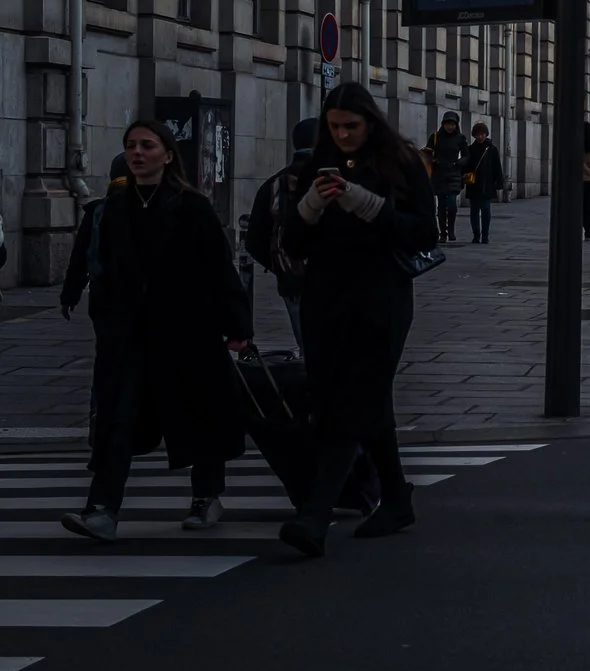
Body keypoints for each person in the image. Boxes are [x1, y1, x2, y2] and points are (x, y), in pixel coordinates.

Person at [59, 117, 251, 540]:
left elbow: (220, 271)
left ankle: (206, 496)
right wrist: (96, 309)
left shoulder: (192, 206)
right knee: (117, 419)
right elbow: (97, 264)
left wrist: (237, 325)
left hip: (187, 333)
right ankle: (103, 509)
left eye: (147, 145)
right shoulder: (112, 208)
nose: (137, 153)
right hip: (129, 335)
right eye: (131, 145)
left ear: (167, 154)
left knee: (197, 413)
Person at [276, 81, 436, 555]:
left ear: (370, 123)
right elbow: (292, 242)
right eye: (334, 127)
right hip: (327, 298)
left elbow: (422, 233)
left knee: (353, 399)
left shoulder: (401, 164)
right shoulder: (314, 170)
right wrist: (312, 206)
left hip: (380, 298)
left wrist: (366, 205)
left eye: (351, 126)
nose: (343, 135)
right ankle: (396, 499)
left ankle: (316, 515)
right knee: (351, 398)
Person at [244, 115, 321, 349]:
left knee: (310, 349)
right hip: (337, 281)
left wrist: (280, 264)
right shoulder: (335, 180)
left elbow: (254, 239)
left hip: (293, 281)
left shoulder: (273, 185)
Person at [462, 119, 504, 245]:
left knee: (486, 210)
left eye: (482, 134)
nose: (480, 136)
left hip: (487, 184)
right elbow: (466, 166)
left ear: (486, 134)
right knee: (474, 210)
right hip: (474, 184)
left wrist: (499, 182)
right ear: (474, 135)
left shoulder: (492, 149)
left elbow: (497, 166)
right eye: (477, 134)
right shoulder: (470, 149)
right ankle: (476, 235)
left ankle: (485, 236)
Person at [429, 112, 467, 244]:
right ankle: (442, 233)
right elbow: (427, 153)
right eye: (447, 124)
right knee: (441, 205)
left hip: (454, 173)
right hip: (439, 173)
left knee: (452, 204)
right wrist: (434, 160)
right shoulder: (435, 137)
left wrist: (458, 163)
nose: (450, 127)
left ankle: (451, 229)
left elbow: (466, 155)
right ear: (443, 124)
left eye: (452, 124)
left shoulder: (460, 138)